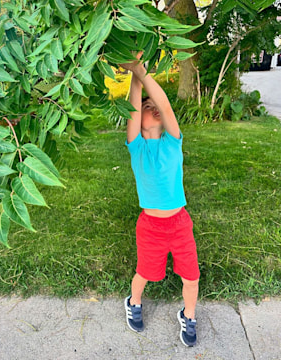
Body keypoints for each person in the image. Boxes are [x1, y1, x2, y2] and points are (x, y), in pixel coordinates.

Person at [121, 53, 200, 347]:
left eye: (154, 105)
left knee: (191, 276)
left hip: (179, 223)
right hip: (150, 226)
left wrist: (142, 69)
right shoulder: (136, 147)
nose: (151, 107)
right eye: (145, 106)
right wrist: (134, 74)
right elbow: (133, 106)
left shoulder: (173, 141)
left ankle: (189, 316)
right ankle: (134, 301)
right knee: (146, 272)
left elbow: (164, 104)